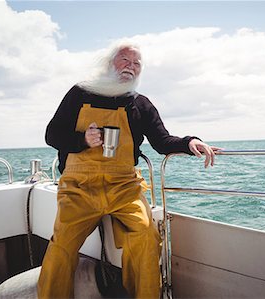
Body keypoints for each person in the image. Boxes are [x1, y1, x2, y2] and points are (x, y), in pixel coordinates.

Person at [37, 41, 219, 298]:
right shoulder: (80, 93)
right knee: (63, 243)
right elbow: (51, 134)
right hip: (79, 185)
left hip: (124, 186)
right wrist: (82, 140)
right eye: (125, 60)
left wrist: (190, 142)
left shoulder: (139, 103)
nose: (130, 67)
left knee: (146, 236)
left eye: (136, 64)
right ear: (109, 63)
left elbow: (162, 141)